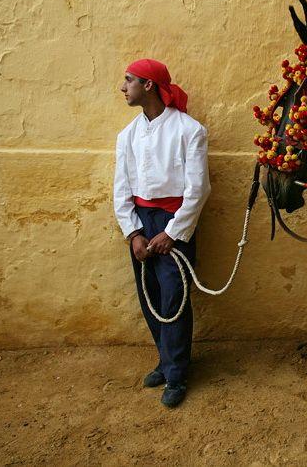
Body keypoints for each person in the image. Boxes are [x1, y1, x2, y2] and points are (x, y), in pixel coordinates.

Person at [113, 59, 211, 407]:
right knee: (150, 296)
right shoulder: (127, 135)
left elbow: (198, 190)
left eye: (129, 80)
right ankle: (166, 360)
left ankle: (176, 374)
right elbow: (121, 189)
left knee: (174, 297)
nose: (123, 87)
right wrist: (133, 233)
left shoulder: (190, 130)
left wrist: (173, 233)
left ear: (149, 85)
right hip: (142, 222)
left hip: (174, 222)